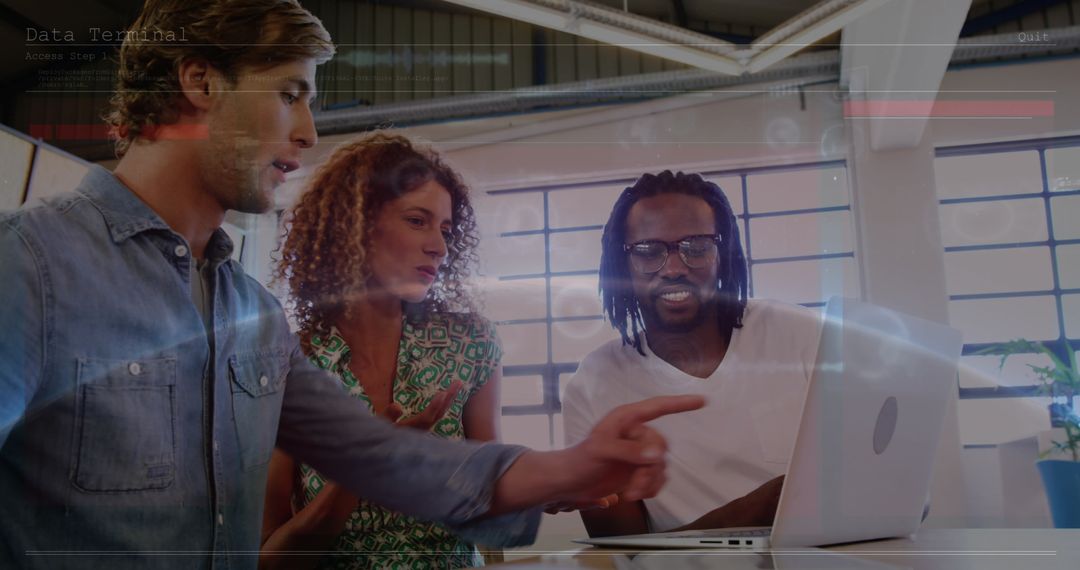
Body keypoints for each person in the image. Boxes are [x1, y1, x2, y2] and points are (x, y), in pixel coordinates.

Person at [0, 2, 704, 568]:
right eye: (289, 94)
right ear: (201, 82)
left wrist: (573, 466)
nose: (307, 132)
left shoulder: (252, 317)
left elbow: (388, 459)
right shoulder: (28, 265)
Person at [260, 133, 505, 569]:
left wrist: (550, 485)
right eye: (417, 220)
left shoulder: (469, 344)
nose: (440, 247)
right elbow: (270, 557)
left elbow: (492, 508)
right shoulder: (289, 362)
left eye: (446, 230)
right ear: (354, 224)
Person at [562, 171, 822, 537]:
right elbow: (624, 551)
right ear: (623, 265)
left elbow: (875, 482)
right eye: (648, 251)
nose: (673, 268)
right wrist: (763, 507)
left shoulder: (799, 332)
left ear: (723, 255)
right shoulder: (594, 382)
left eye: (696, 247)